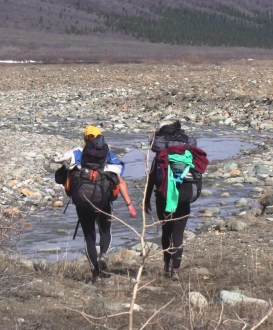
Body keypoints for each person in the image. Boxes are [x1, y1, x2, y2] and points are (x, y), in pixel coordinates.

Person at [57, 126, 137, 282]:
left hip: (82, 201)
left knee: (89, 237)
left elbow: (59, 166)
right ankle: (104, 256)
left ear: (85, 138)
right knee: (105, 231)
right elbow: (120, 180)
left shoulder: (77, 153)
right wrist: (129, 204)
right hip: (103, 201)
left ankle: (95, 274)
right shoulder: (107, 154)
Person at [144, 121, 208, 280]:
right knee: (178, 233)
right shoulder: (188, 151)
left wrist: (146, 200)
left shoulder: (161, 154)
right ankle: (176, 269)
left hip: (163, 196)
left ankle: (167, 266)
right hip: (185, 195)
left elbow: (151, 178)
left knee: (166, 231)